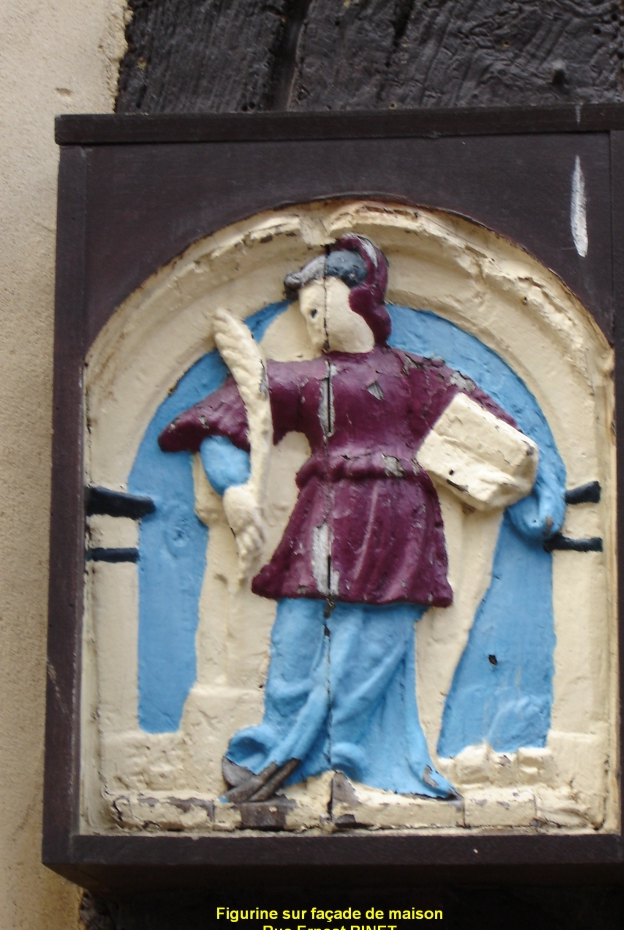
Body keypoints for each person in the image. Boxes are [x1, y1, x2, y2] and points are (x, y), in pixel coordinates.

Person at [158, 235, 537, 803]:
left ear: (360, 297)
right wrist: (234, 490)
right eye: (304, 312)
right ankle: (276, 746)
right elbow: (224, 421)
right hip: (323, 520)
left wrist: (539, 484)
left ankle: (342, 758)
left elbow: (496, 436)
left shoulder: (416, 374)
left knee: (375, 647)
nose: (312, 320)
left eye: (320, 304)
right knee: (293, 641)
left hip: (398, 518)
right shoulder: (301, 378)